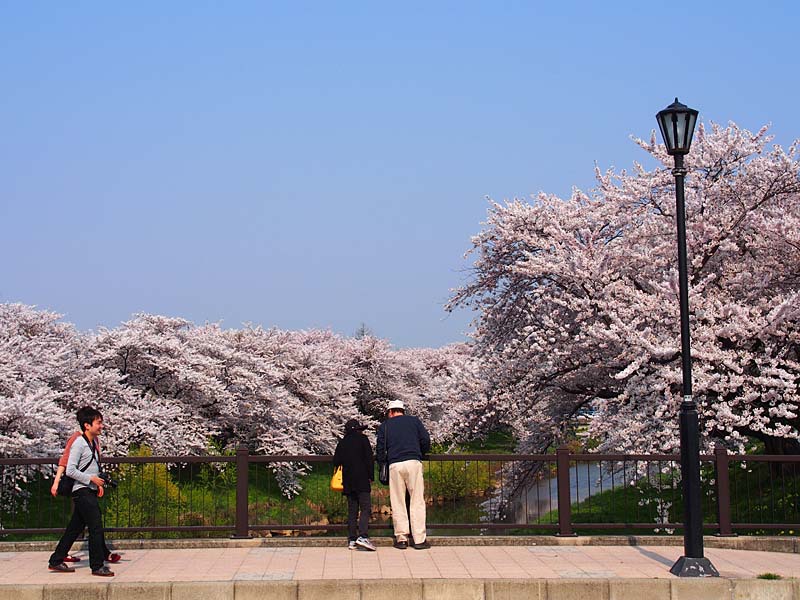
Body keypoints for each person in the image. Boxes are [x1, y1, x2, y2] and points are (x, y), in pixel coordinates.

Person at [48, 406, 115, 577]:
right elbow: (70, 470)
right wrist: (90, 479)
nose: (101, 426)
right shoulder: (79, 443)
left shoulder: (92, 442)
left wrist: (98, 482)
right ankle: (97, 565)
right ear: (87, 425)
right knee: (95, 526)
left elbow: (91, 468)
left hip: (88, 490)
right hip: (82, 491)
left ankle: (56, 560)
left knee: (74, 528)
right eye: (98, 423)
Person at [376, 399, 431, 550]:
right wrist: (421, 452)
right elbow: (425, 439)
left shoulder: (385, 426)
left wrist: (381, 464)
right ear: (402, 410)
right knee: (417, 500)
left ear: (391, 412)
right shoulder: (414, 421)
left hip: (395, 464)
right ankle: (419, 539)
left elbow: (380, 449)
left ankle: (401, 538)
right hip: (413, 461)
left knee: (398, 501)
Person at [333, 418, 376, 551]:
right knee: (365, 508)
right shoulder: (363, 440)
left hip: (348, 481)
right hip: (362, 479)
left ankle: (352, 539)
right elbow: (369, 459)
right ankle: (363, 536)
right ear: (357, 430)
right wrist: (371, 476)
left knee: (352, 511)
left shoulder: (342, 443)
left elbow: (336, 461)